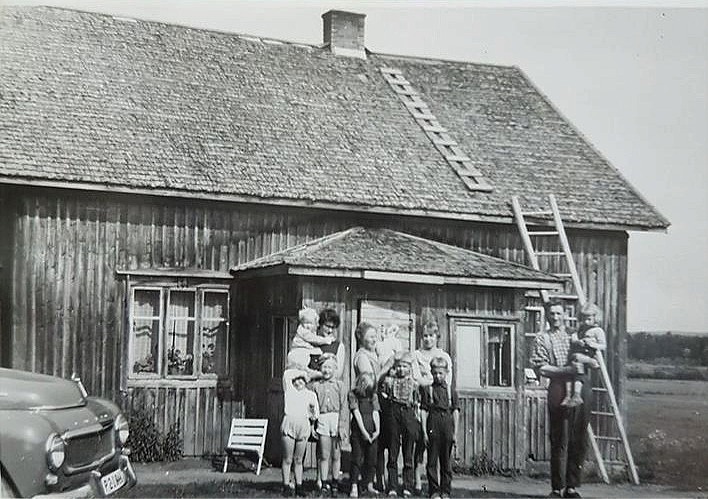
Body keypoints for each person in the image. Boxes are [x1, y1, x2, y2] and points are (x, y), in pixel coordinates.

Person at [531, 300, 593, 499]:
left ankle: (572, 486)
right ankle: (557, 488)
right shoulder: (542, 338)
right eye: (552, 314)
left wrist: (585, 361)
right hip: (558, 386)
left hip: (581, 385)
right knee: (559, 438)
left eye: (558, 313)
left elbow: (593, 357)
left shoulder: (576, 335)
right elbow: (541, 367)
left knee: (579, 437)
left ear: (565, 315)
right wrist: (565, 370)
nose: (555, 317)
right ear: (547, 315)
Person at [412, 318, 453, 494]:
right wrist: (428, 382)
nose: (428, 339)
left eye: (431, 336)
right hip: (420, 403)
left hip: (439, 405)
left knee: (438, 448)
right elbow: (416, 379)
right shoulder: (416, 355)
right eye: (425, 336)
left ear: (437, 337)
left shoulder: (444, 356)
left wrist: (426, 380)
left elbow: (447, 382)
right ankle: (417, 481)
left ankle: (440, 487)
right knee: (420, 442)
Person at [353, 321, 395, 492]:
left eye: (374, 336)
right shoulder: (362, 356)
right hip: (367, 403)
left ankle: (376, 480)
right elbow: (369, 381)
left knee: (378, 444)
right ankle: (367, 481)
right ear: (361, 338)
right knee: (369, 443)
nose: (373, 339)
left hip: (378, 399)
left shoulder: (372, 353)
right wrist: (386, 367)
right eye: (369, 336)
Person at [380, 351, 420, 497]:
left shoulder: (414, 384)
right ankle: (392, 486)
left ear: (410, 367)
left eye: (405, 366)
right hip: (393, 414)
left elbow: (417, 402)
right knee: (393, 452)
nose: (401, 369)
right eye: (399, 366)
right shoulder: (389, 381)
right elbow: (383, 394)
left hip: (408, 414)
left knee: (408, 453)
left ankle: (407, 486)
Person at [281, 353, 320, 497]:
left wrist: (312, 417)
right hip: (289, 424)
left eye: (301, 380)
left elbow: (315, 413)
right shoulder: (289, 391)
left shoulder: (310, 395)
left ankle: (299, 485)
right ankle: (286, 485)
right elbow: (287, 374)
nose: (298, 382)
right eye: (296, 380)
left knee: (298, 459)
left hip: (303, 425)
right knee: (287, 458)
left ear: (306, 381)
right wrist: (300, 367)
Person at [420, 357, 459, 499]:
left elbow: (455, 411)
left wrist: (455, 432)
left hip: (447, 424)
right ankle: (434, 491)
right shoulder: (428, 390)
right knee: (432, 461)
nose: (438, 376)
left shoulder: (451, 391)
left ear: (446, 372)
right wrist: (424, 431)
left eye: (441, 373)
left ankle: (446, 490)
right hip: (433, 424)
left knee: (446, 461)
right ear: (431, 372)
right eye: (435, 373)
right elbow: (423, 411)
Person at [310, 354, 349, 496]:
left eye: (329, 367)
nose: (326, 370)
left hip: (336, 418)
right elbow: (312, 407)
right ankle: (324, 482)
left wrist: (342, 426)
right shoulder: (316, 386)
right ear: (320, 368)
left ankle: (335, 482)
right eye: (324, 367)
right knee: (324, 454)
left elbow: (344, 406)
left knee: (336, 454)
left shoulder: (340, 385)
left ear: (335, 368)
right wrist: (313, 424)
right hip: (323, 419)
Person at [562, 303, 607, 407]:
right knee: (569, 367)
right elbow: (575, 337)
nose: (586, 322)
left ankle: (577, 395)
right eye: (584, 319)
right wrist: (577, 341)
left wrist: (592, 344)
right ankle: (568, 395)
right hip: (581, 356)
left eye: (589, 319)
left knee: (577, 359)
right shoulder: (582, 329)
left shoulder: (598, 330)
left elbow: (603, 346)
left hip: (591, 358)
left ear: (595, 318)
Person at [348, 372, 381, 498]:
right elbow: (356, 414)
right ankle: (354, 485)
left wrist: (377, 430)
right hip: (358, 430)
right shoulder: (353, 394)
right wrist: (364, 432)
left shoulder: (373, 395)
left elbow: (375, 412)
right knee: (357, 458)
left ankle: (369, 484)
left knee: (371, 459)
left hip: (372, 430)